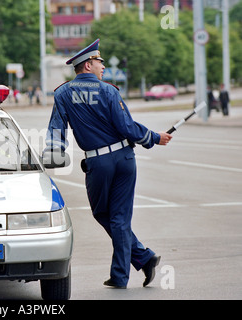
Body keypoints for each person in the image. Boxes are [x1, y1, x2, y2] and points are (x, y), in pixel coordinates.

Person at [44, 39, 172, 289]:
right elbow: (126, 127)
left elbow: (56, 127)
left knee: (104, 214)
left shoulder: (62, 93)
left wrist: (54, 153)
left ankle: (121, 276)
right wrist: (154, 138)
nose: (103, 67)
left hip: (97, 163)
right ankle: (143, 258)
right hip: (124, 159)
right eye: (100, 62)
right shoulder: (109, 91)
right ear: (88, 64)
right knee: (119, 218)